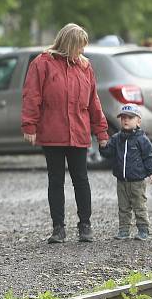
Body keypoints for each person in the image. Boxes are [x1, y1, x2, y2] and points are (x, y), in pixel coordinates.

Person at [21, 23, 109, 244]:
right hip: (53, 132)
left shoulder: (85, 67)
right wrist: (29, 125)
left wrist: (102, 131)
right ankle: (58, 228)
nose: (82, 51)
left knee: (81, 179)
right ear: (69, 44)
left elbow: (93, 101)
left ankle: (85, 226)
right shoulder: (42, 64)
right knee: (56, 180)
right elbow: (32, 96)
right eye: (79, 46)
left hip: (78, 132)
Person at [98, 104, 152, 241]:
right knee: (123, 207)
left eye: (130, 118)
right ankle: (124, 230)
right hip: (121, 181)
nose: (126, 120)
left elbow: (149, 156)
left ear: (138, 121)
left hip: (137, 181)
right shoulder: (117, 138)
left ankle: (143, 229)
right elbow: (108, 153)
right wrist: (103, 146)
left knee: (139, 206)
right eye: (123, 117)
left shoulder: (142, 139)